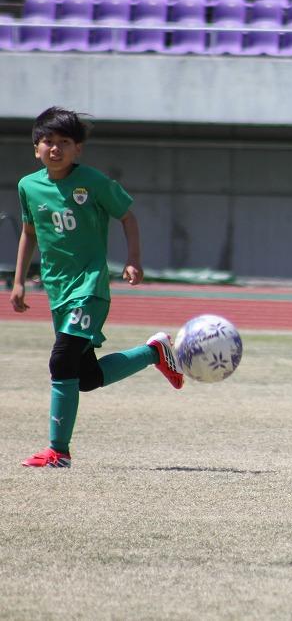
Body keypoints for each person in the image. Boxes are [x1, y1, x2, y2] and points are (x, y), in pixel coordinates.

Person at [10, 107, 184, 468]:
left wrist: (133, 259)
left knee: (61, 361)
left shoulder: (93, 182)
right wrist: (18, 282)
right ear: (35, 148)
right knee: (85, 377)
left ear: (78, 150)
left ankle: (58, 451)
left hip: (89, 287)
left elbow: (127, 216)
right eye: (47, 142)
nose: (55, 148)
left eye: (64, 142)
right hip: (57, 290)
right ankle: (156, 352)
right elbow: (29, 232)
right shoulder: (28, 186)